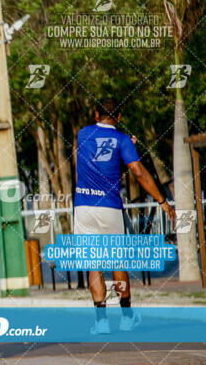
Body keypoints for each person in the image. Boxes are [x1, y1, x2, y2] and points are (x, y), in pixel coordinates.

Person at [74, 98, 175, 334]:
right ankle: (127, 316)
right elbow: (137, 172)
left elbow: (95, 163)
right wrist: (162, 200)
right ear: (119, 118)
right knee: (117, 260)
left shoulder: (82, 134)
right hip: (109, 207)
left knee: (93, 263)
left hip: (84, 206)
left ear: (96, 115)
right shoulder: (121, 140)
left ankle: (101, 322)